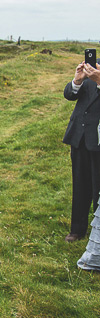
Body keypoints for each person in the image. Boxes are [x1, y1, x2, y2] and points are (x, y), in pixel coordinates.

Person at [61, 59, 100, 242]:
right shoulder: (93, 66)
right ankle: (77, 229)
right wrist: (77, 80)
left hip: (98, 137)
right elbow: (69, 95)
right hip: (80, 135)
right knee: (80, 184)